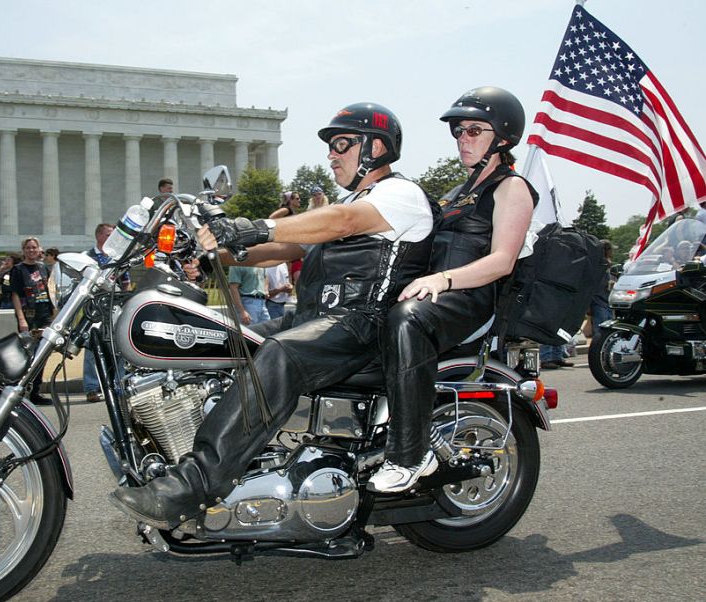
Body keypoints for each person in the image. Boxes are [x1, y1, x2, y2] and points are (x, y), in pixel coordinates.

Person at [111, 102, 438, 529]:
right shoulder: (352, 202)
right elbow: (281, 250)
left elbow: (339, 222)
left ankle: (194, 483)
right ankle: (232, 461)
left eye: (341, 144)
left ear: (376, 147)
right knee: (223, 340)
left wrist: (256, 225)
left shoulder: (399, 196)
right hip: (315, 318)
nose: (331, 154)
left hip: (363, 324)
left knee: (278, 354)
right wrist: (214, 251)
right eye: (331, 146)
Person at [368, 86, 538, 492]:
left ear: (503, 137)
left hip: (471, 301)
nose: (464, 138)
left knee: (407, 321)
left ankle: (409, 454)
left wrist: (442, 280)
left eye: (475, 130)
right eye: (459, 131)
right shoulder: (455, 193)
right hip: (436, 297)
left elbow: (502, 261)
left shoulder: (510, 188)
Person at [83, 223, 131, 402]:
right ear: (99, 236)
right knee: (92, 347)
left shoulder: (118, 257)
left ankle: (119, 385)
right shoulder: (88, 257)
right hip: (94, 308)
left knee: (119, 346)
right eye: (110, 234)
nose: (114, 237)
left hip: (115, 307)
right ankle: (92, 387)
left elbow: (126, 281)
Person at [10, 237, 54, 405]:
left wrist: (54, 315)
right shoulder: (18, 270)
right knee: (28, 355)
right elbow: (15, 295)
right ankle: (22, 390)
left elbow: (51, 291)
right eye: (28, 248)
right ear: (23, 250)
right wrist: (21, 319)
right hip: (29, 316)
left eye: (34, 248)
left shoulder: (43, 268)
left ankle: (36, 392)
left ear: (38, 249)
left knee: (41, 355)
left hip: (44, 315)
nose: (31, 250)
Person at [589, 239, 614, 337]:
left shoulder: (601, 264)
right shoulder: (600, 264)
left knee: (605, 333)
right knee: (601, 334)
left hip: (604, 303)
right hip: (599, 303)